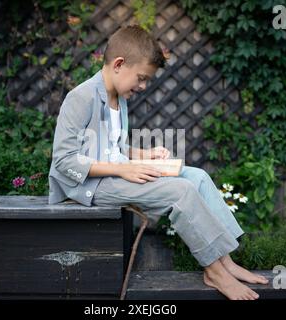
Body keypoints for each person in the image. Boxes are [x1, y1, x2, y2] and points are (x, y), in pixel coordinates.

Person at [48, 25, 268, 300]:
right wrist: (124, 169)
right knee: (180, 191)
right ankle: (214, 271)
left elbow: (110, 147)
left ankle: (226, 261)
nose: (142, 86)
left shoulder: (118, 97)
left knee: (197, 177)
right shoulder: (81, 97)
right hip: (90, 186)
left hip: (116, 174)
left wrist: (143, 154)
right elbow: (63, 161)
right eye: (140, 78)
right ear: (118, 64)